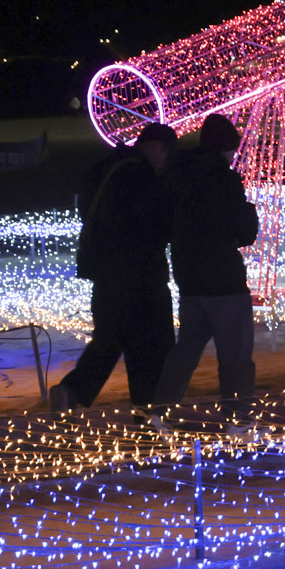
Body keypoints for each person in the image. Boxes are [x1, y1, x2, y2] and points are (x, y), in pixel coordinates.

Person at [52, 121, 178, 417]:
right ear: (157, 147)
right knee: (150, 347)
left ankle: (72, 391)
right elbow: (152, 226)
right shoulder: (139, 175)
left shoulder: (105, 169)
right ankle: (149, 413)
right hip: (140, 276)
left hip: (105, 275)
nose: (165, 164)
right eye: (167, 155)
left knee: (109, 340)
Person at [149, 114, 259, 432]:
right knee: (236, 355)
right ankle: (238, 420)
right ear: (225, 148)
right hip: (223, 279)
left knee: (186, 349)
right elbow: (243, 227)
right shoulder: (224, 179)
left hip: (190, 277)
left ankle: (159, 410)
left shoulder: (178, 175)